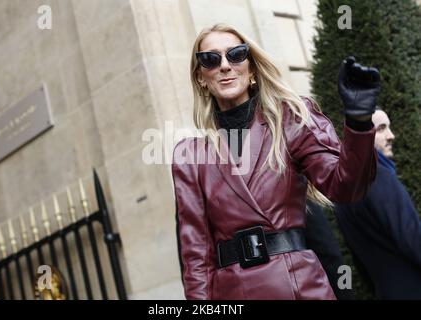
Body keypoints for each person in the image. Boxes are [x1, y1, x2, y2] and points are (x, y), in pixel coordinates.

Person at [172, 23, 380, 300]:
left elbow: (345, 186)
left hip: (300, 287)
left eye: (236, 54)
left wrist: (358, 122)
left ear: (252, 68)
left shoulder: (291, 120)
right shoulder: (189, 156)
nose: (224, 65)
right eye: (210, 59)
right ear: (200, 77)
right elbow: (195, 255)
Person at [335, 108, 421, 299]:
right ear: (361, 137)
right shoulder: (378, 177)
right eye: (381, 129)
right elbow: (412, 238)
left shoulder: (342, 191)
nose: (392, 136)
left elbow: (359, 261)